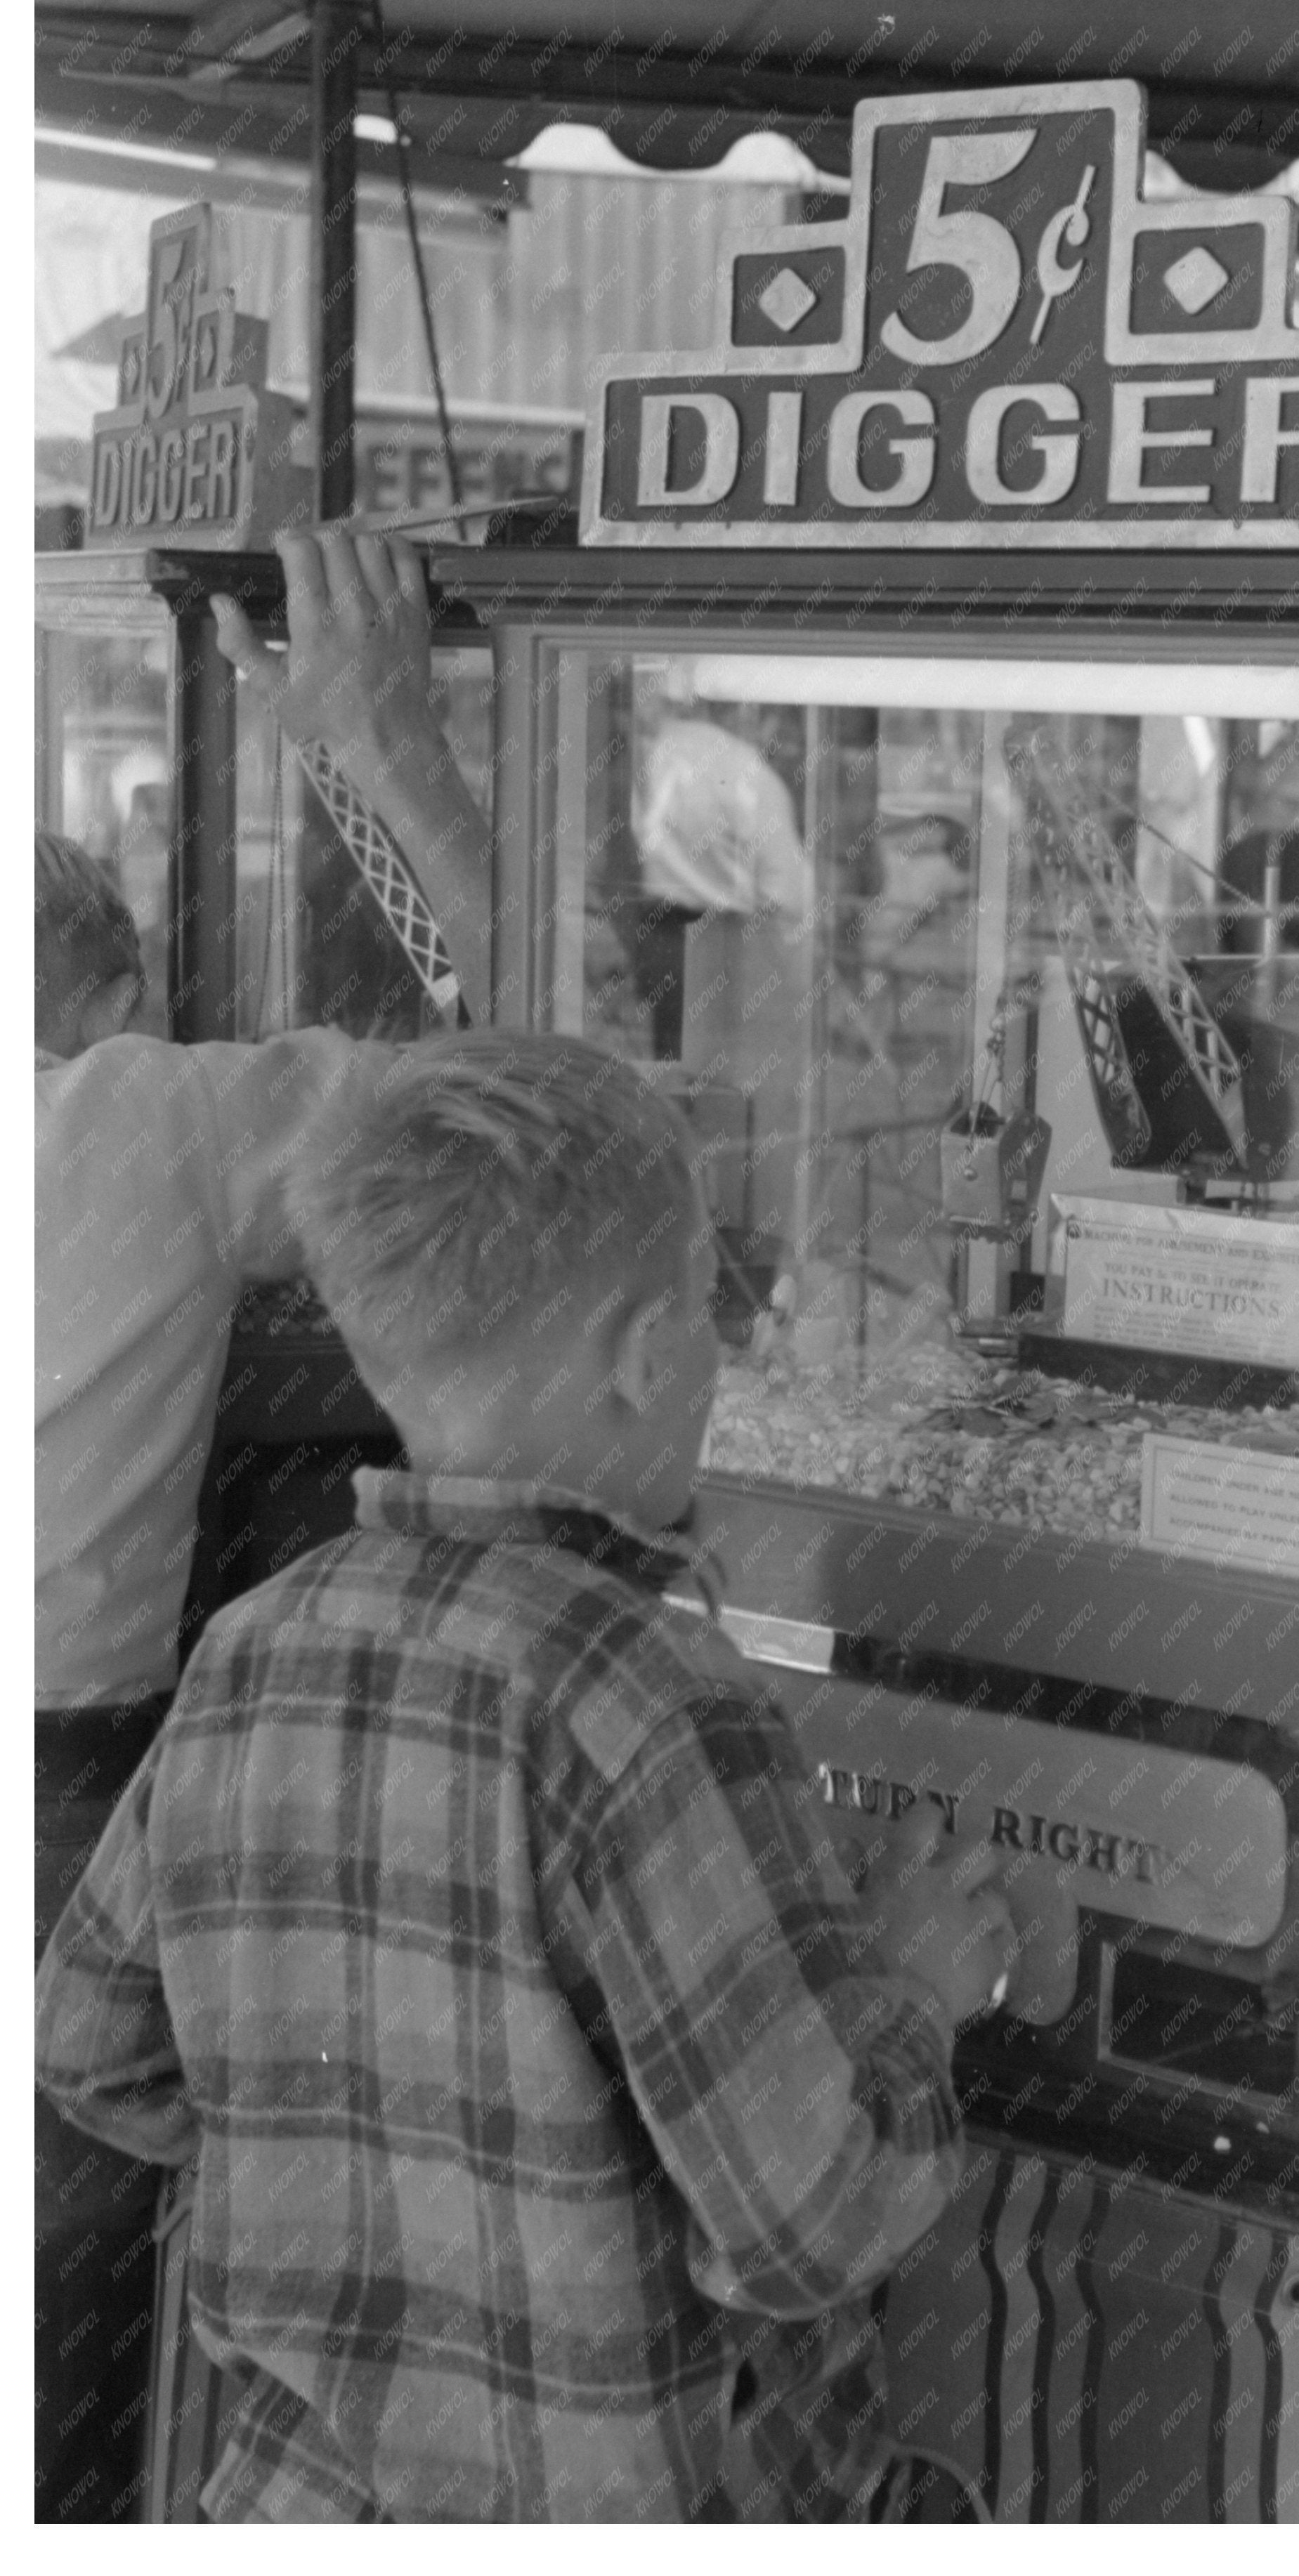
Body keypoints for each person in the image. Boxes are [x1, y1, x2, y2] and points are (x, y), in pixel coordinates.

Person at [35, 1031, 1014, 2523]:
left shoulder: (246, 1649)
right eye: (705, 1308)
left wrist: (375, 2170)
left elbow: (92, 2052)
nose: (712, 1349)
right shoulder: (654, 1705)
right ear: (642, 1355)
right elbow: (808, 2221)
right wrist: (915, 1989)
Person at [34, 530, 492, 2521]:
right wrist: (383, 746)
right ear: (114, 989)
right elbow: (523, 1083)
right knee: (64, 2302)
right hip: (61, 1794)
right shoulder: (122, 1112)